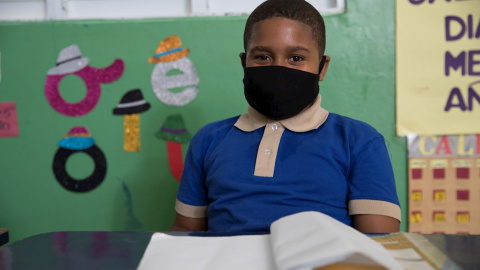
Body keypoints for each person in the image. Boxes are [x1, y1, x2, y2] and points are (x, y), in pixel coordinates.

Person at [172, 0, 401, 234]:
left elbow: (380, 244)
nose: (278, 69)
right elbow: (184, 235)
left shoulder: (359, 142)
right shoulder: (208, 140)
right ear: (244, 63)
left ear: (322, 68)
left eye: (296, 58)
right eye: (262, 57)